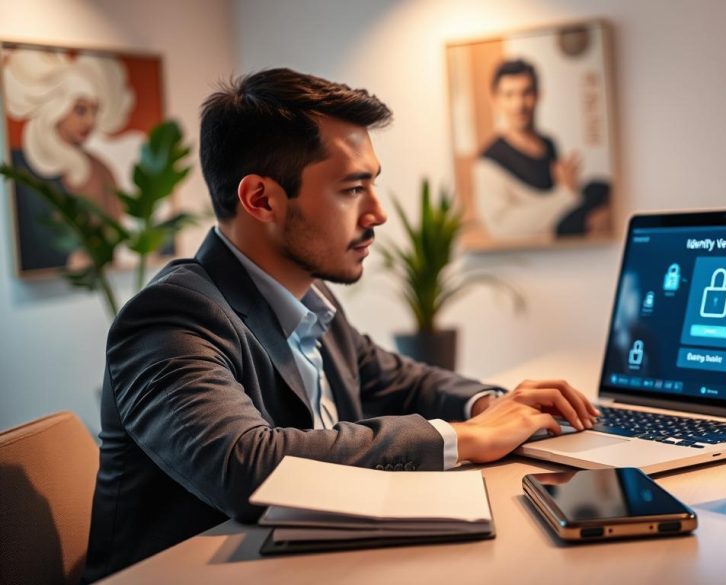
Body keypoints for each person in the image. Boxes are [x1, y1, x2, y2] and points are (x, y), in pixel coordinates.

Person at [82, 68, 598, 582]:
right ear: (261, 199)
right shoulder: (170, 317)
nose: (378, 213)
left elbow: (402, 379)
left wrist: (492, 405)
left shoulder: (309, 296)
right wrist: (462, 437)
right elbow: (246, 466)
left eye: (373, 184)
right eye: (353, 189)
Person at [3, 48, 134, 271]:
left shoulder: (101, 170)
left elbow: (114, 233)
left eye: (95, 110)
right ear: (57, 108)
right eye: (81, 110)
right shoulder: (22, 169)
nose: (90, 121)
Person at [473, 58, 610, 240]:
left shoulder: (549, 143)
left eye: (526, 93)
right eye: (509, 95)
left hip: (562, 238)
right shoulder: (488, 162)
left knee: (600, 188)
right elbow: (502, 228)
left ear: (538, 95)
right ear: (496, 100)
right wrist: (565, 195)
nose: (519, 104)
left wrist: (570, 191)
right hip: (535, 249)